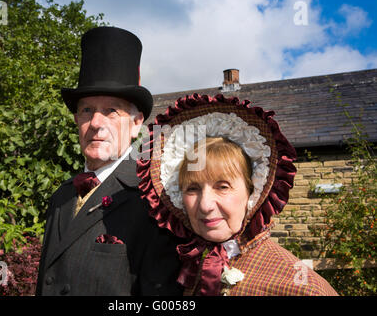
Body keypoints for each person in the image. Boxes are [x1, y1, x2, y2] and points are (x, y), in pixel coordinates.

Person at [137, 93, 338, 296]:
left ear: (252, 191)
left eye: (222, 187)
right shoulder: (178, 270)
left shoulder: (301, 289)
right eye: (192, 188)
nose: (205, 205)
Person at [36, 26, 183, 296]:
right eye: (87, 110)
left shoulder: (153, 201)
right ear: (76, 120)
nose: (95, 123)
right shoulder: (61, 196)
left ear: (136, 123)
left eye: (111, 111)